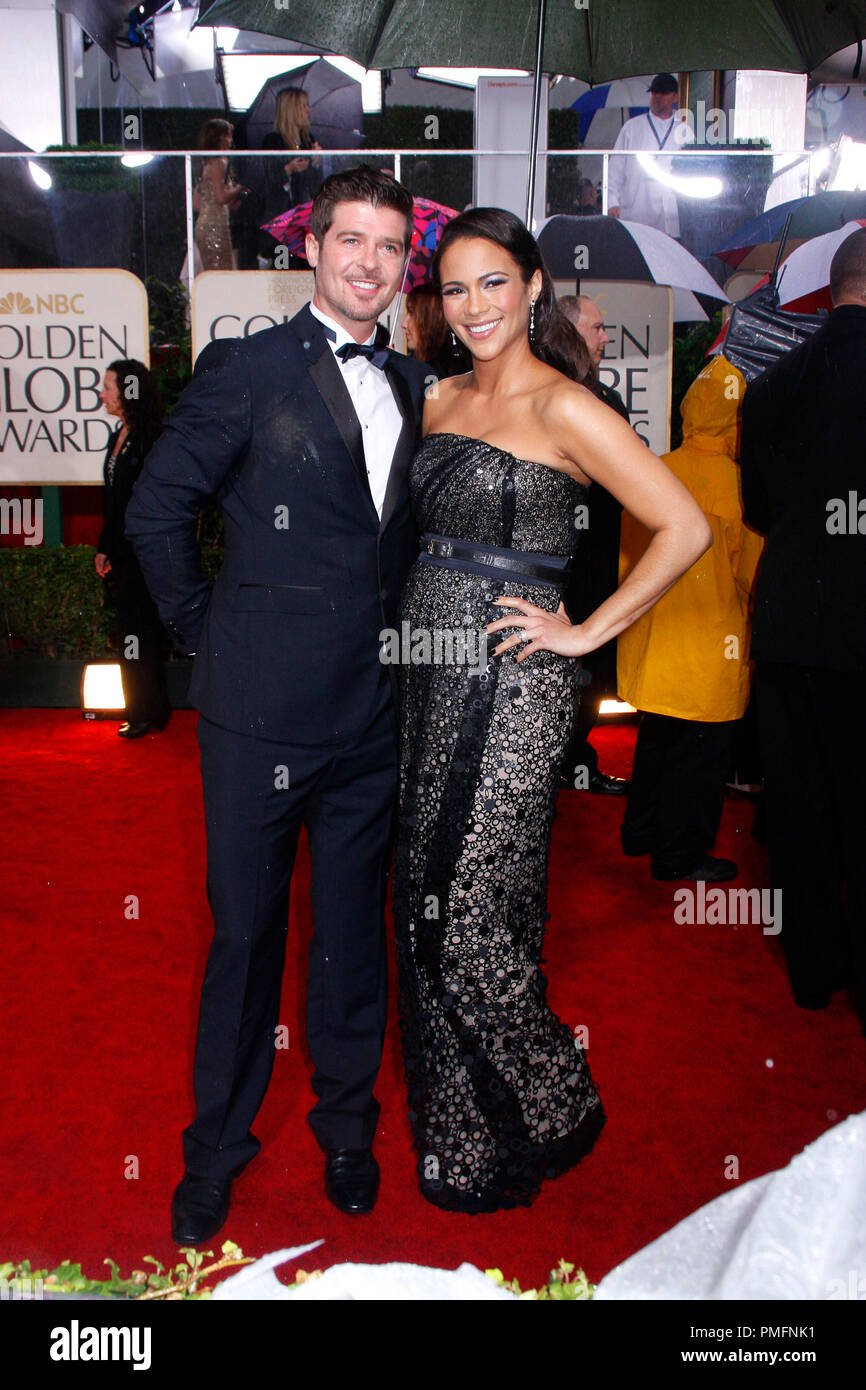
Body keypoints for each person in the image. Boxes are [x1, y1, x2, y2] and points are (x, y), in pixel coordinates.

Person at [126, 167, 430, 1242]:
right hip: (256, 720)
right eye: (349, 240)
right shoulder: (248, 368)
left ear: (404, 265)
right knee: (244, 940)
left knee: (351, 936)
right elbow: (157, 509)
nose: (367, 263)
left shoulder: (412, 381)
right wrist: (209, 641)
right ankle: (215, 1148)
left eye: (388, 247)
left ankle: (347, 1127)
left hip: (371, 718)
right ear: (312, 250)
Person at [392, 207, 712, 1213]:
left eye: (494, 282)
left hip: (514, 684)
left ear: (531, 288)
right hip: (426, 680)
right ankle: (462, 1136)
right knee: (418, 907)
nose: (475, 305)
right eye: (455, 287)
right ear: (436, 304)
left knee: (470, 914)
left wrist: (582, 634)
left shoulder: (567, 408)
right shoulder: (435, 399)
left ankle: (550, 1098)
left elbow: (683, 524)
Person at [740, 227, 866, 1020]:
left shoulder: (774, 383)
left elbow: (759, 509)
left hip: (788, 615)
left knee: (799, 797)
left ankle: (814, 970)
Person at [618, 355, 764, 881]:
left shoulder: (656, 468)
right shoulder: (737, 486)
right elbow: (750, 574)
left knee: (656, 741)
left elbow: (630, 556)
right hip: (708, 645)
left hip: (657, 639)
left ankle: (640, 832)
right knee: (699, 757)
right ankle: (679, 854)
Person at [557, 293, 631, 793]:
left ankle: (574, 762)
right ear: (569, 331)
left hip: (600, 557)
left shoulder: (605, 400)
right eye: (598, 328)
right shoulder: (560, 396)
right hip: (561, 565)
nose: (606, 338)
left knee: (591, 670)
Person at [94, 359, 170, 739]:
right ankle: (144, 708)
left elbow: (152, 503)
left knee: (140, 633)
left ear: (128, 392)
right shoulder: (117, 435)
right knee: (130, 633)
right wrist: (104, 547)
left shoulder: (152, 439)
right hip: (122, 557)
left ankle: (146, 711)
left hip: (146, 556)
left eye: (108, 386)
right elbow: (113, 500)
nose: (102, 393)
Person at [607, 74, 694, 237]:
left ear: (676, 97)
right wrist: (612, 201)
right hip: (636, 214)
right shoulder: (631, 128)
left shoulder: (685, 132)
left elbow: (692, 174)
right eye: (654, 93)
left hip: (671, 218)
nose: (657, 97)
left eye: (663, 93)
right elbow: (614, 170)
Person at [261, 87, 323, 266]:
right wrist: (288, 169)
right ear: (291, 110)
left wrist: (317, 162)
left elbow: (314, 184)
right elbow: (268, 182)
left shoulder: (308, 140)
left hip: (305, 219)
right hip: (282, 221)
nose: (308, 110)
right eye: (304, 106)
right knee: (284, 269)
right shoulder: (273, 141)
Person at [194, 118, 246, 271]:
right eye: (229, 136)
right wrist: (240, 187)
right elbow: (221, 197)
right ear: (221, 138)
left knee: (214, 273)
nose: (231, 141)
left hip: (206, 225)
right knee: (221, 273)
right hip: (215, 227)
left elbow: (197, 205)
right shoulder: (219, 163)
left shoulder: (204, 164)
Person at [402, 281, 470, 378]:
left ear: (432, 318)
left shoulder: (449, 373)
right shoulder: (412, 365)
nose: (404, 324)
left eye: (412, 313)